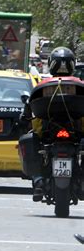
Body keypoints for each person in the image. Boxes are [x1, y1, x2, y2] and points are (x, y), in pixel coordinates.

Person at [20, 47, 83, 201]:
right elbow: (30, 104)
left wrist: (24, 118)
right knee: (30, 141)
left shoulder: (43, 85)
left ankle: (38, 180)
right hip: (72, 133)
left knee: (30, 140)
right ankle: (39, 180)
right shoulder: (79, 84)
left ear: (51, 64)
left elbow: (29, 106)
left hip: (48, 133)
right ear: (72, 64)